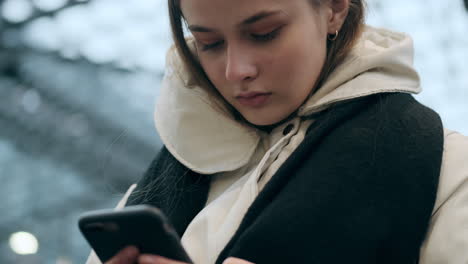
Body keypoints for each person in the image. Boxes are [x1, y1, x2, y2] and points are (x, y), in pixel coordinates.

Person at [86, 0, 468, 263]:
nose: (236, 70)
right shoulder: (161, 180)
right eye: (209, 43)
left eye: (264, 33)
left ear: (335, 8)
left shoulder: (449, 169)